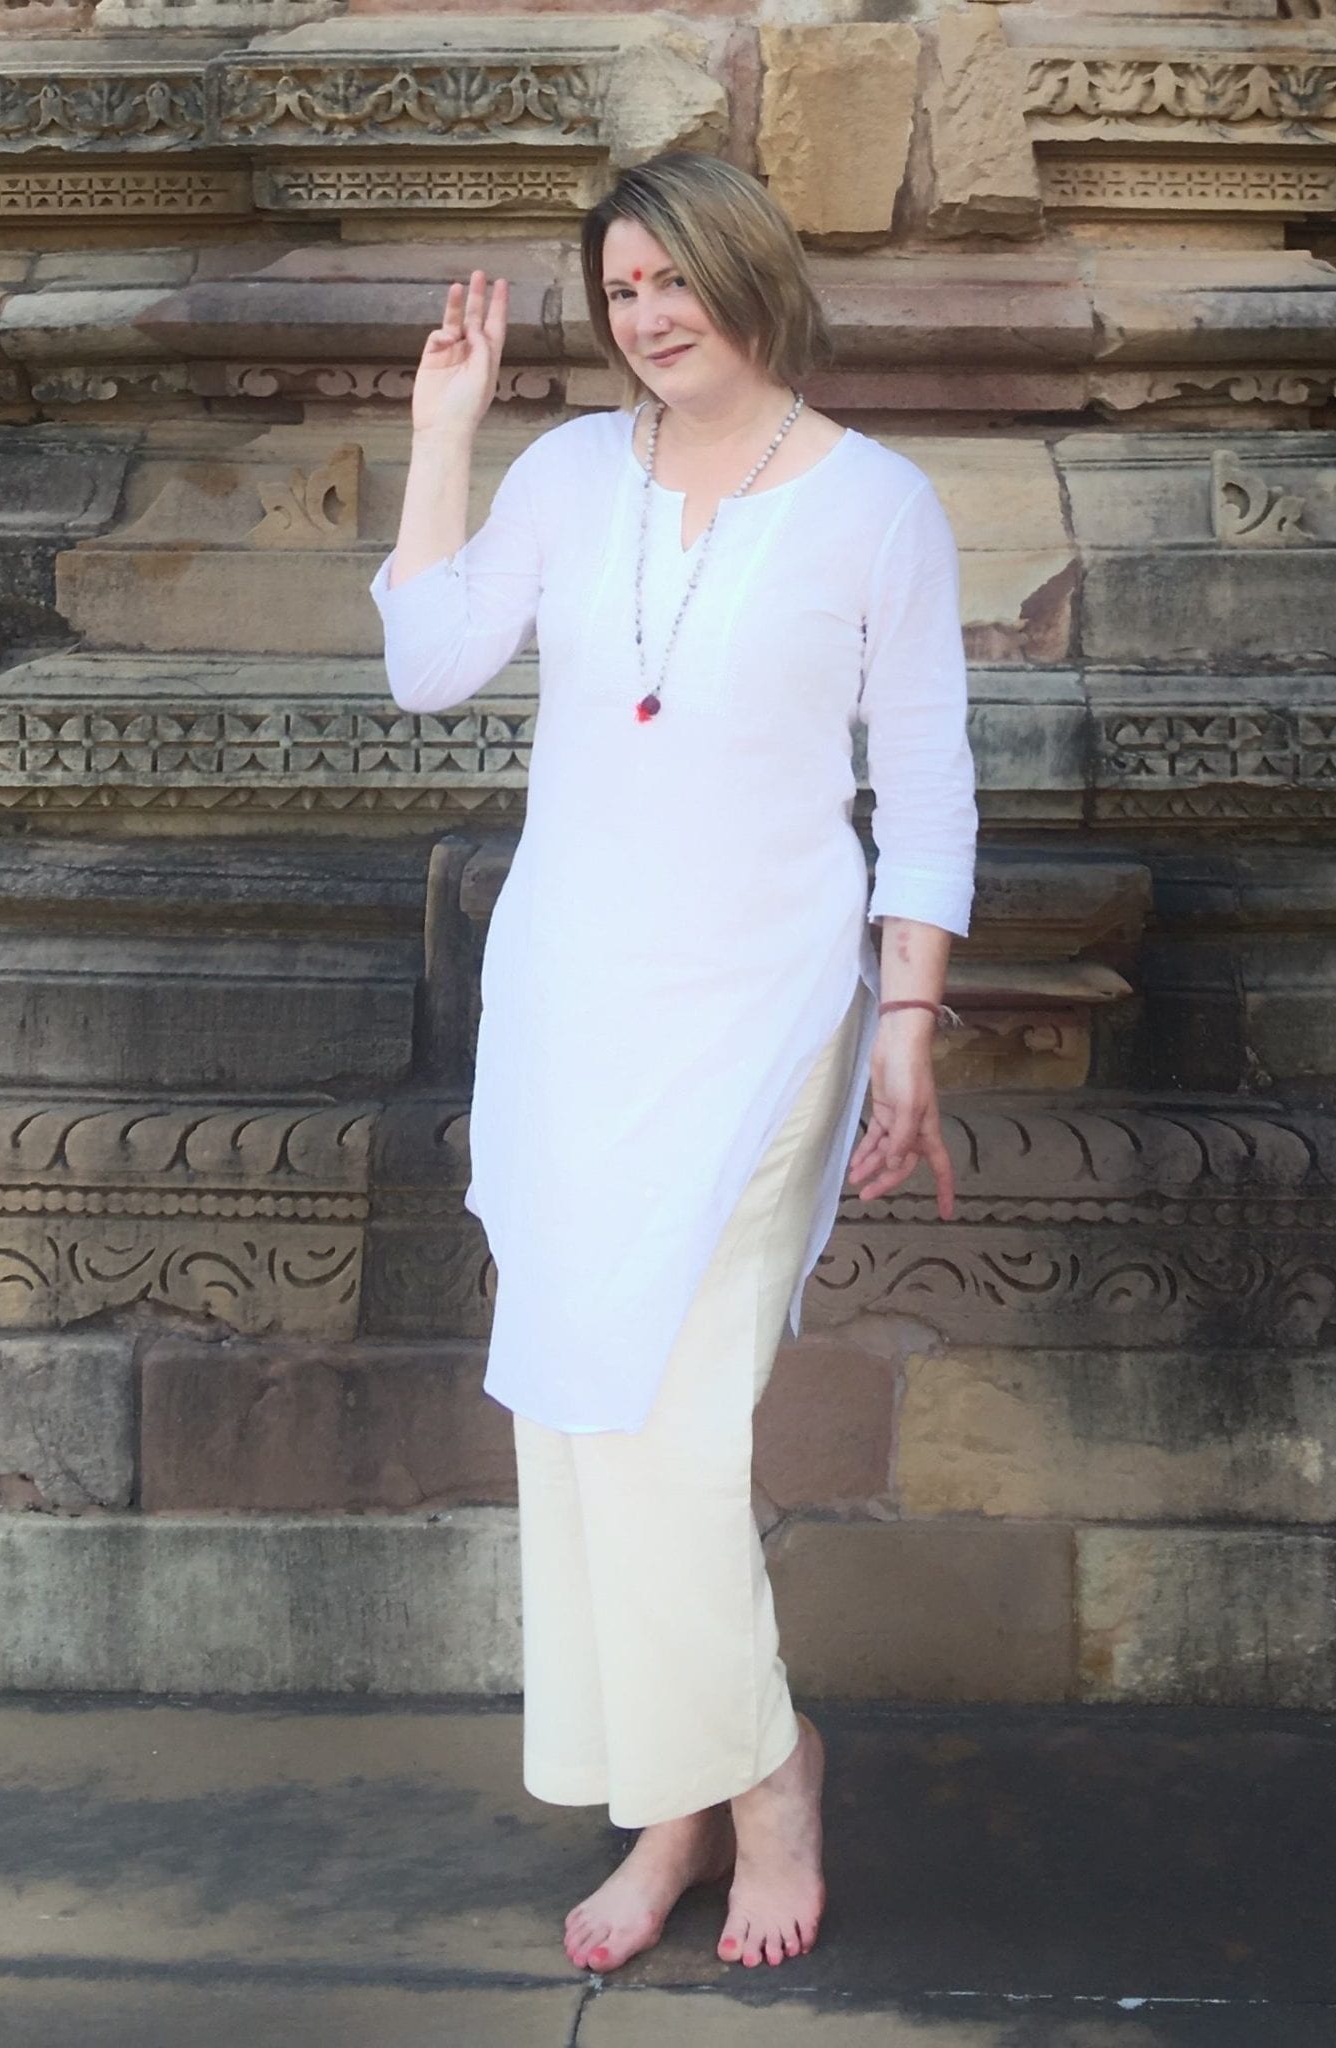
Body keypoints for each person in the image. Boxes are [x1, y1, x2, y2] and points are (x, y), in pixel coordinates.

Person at [369, 151, 978, 1977]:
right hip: (571, 1011)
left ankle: (769, 1776)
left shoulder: (878, 506)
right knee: (574, 1414)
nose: (646, 315)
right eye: (619, 289)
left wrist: (908, 1021)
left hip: (761, 1021)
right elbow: (426, 667)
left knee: (676, 1423)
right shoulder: (567, 475)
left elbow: (927, 788)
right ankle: (675, 1801)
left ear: (747, 274)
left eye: (670, 278)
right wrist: (444, 431)